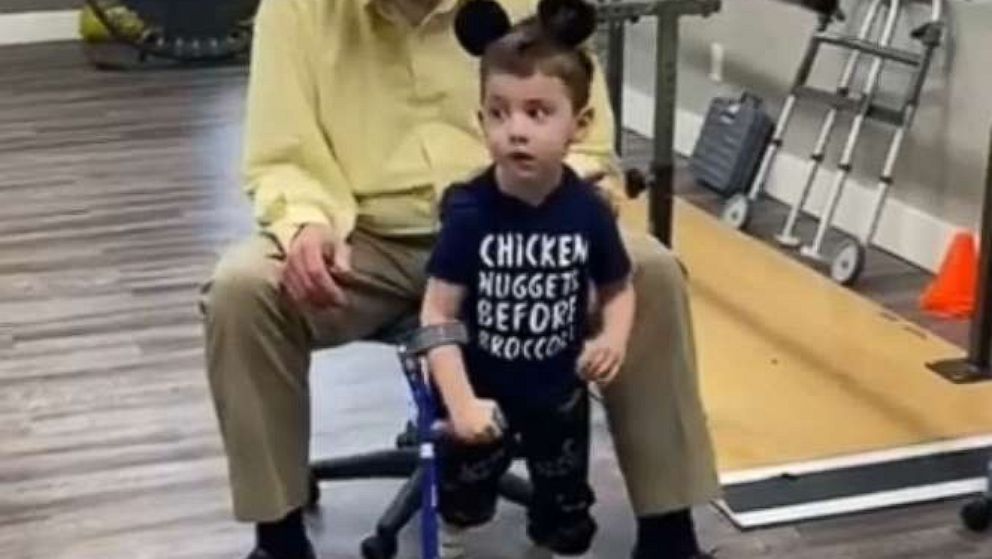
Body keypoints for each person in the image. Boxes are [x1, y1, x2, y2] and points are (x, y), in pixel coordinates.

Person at [200, 0, 721, 556]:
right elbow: (281, 153)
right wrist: (304, 221)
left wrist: (568, 204)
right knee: (242, 291)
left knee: (652, 272)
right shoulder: (296, 10)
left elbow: (587, 140)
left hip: (518, 222)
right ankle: (277, 537)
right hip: (366, 238)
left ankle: (669, 531)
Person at [420, 3, 634, 556]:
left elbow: (618, 287)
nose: (515, 131)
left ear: (578, 125)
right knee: (463, 499)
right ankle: (454, 542)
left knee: (565, 509)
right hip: (481, 393)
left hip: (558, 396)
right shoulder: (468, 214)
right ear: (481, 120)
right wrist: (462, 402)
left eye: (538, 113)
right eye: (500, 113)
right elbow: (437, 315)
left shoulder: (588, 211)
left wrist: (612, 338)